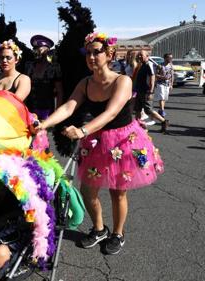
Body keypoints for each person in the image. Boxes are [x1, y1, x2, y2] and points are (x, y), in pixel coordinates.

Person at [36, 32, 164, 255]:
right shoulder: (85, 83)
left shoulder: (122, 81)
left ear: (109, 54)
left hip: (123, 140)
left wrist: (82, 130)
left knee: (118, 192)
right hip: (97, 140)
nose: (92, 57)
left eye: (97, 52)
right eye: (88, 53)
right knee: (88, 191)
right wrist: (43, 124)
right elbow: (68, 107)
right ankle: (99, 228)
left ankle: (118, 234)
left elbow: (110, 113)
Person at [24, 34, 64, 120]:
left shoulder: (54, 67)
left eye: (40, 49)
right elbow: (25, 88)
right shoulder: (29, 66)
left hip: (47, 110)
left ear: (47, 50)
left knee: (44, 132)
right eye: (35, 48)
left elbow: (59, 91)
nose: (36, 51)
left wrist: (57, 113)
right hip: (31, 109)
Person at [135, 50, 169, 133]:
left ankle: (164, 121)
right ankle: (137, 126)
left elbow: (152, 78)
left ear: (147, 56)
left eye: (141, 55)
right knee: (138, 109)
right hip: (139, 90)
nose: (139, 56)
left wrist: (150, 91)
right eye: (139, 55)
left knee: (148, 110)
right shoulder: (142, 64)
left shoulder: (149, 64)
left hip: (146, 91)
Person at [154, 53, 174, 118]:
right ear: (165, 58)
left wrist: (171, 84)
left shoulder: (171, 66)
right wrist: (163, 77)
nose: (171, 59)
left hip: (167, 84)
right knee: (162, 96)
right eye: (169, 58)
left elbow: (172, 75)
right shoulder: (160, 65)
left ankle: (161, 110)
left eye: (171, 58)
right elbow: (155, 74)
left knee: (165, 98)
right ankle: (162, 110)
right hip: (160, 83)